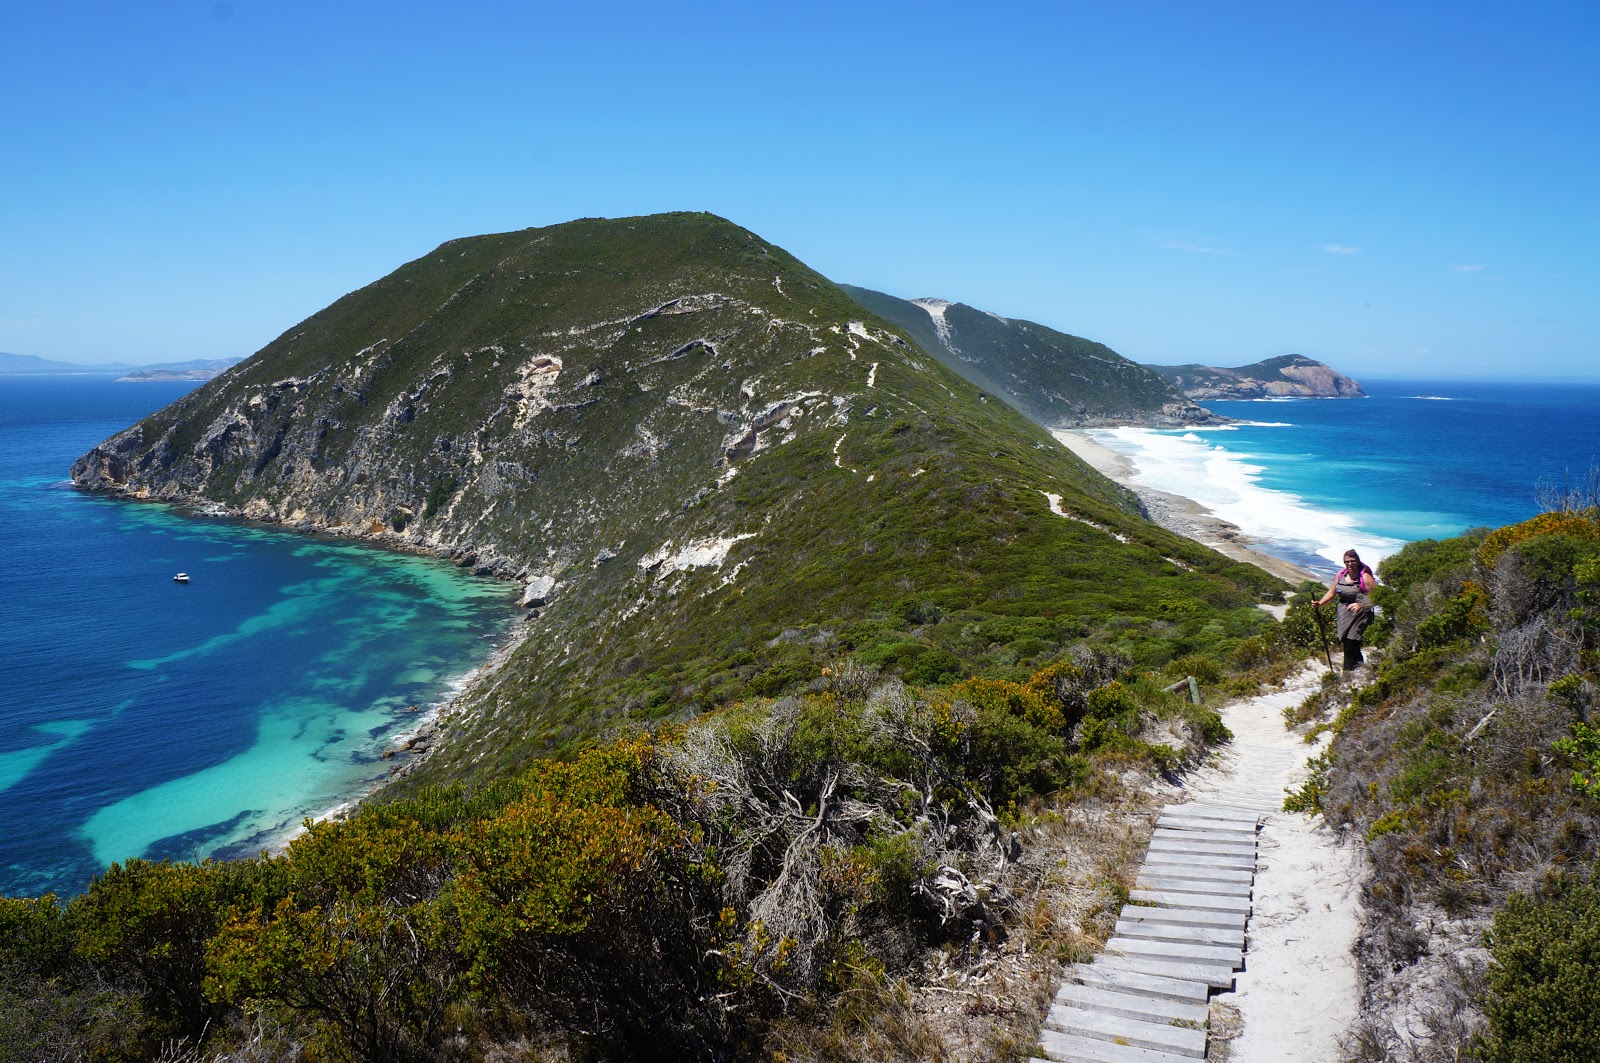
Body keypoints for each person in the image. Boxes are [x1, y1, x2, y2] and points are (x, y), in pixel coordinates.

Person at [1317, 549, 1376, 672]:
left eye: (1352, 561)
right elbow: (1332, 592)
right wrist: (1320, 603)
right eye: (1346, 561)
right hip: (1344, 614)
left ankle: (1349, 674)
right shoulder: (1341, 575)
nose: (1349, 564)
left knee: (1352, 643)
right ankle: (1359, 671)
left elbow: (1377, 595)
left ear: (1357, 561)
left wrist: (1361, 605)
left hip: (1360, 615)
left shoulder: (1365, 577)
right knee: (1347, 643)